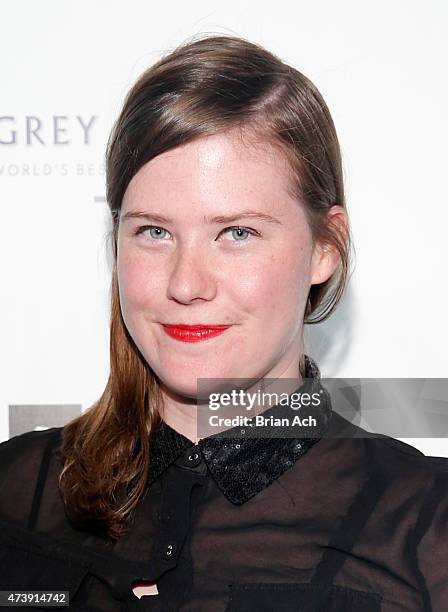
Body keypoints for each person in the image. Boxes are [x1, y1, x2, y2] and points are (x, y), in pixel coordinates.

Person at [0, 34, 447, 612]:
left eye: (237, 233)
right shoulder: (15, 491)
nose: (187, 285)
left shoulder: (425, 524)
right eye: (154, 232)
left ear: (324, 248)